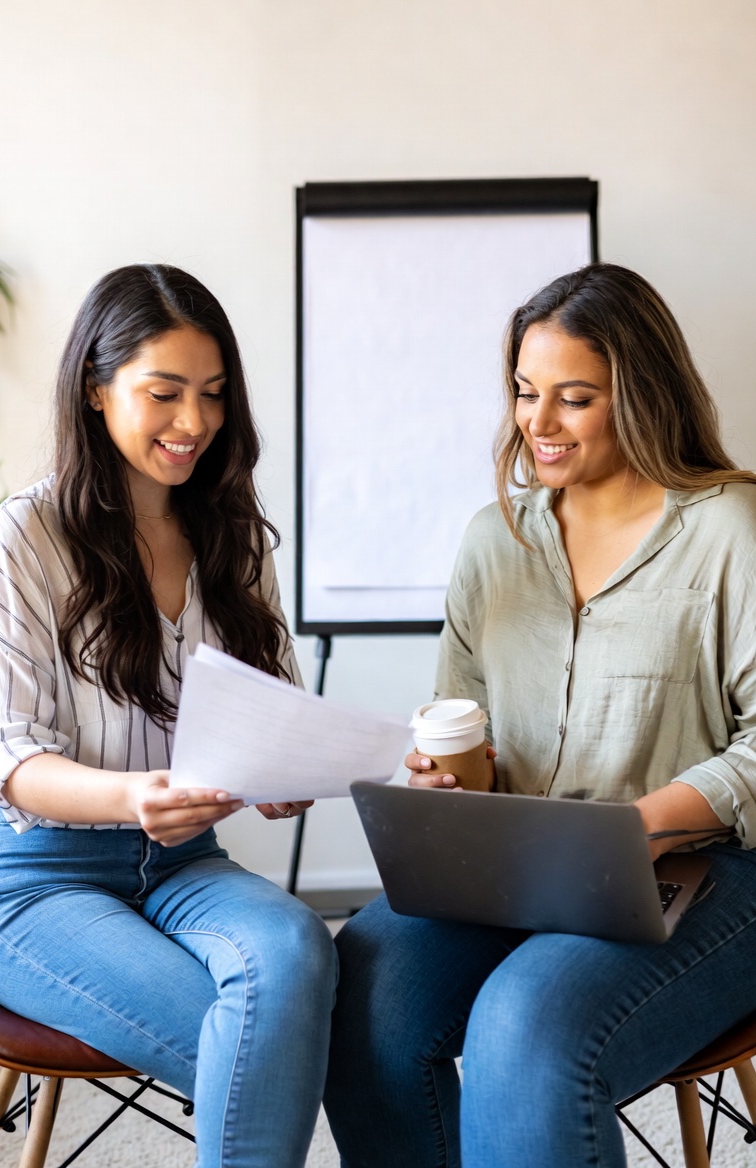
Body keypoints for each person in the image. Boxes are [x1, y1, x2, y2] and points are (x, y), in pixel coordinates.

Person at [323, 262, 756, 1168]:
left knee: (525, 1031)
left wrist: (643, 824)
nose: (538, 423)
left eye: (575, 398)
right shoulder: (496, 538)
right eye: (526, 392)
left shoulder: (728, 529)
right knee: (356, 991)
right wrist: (445, 781)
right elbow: (467, 722)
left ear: (639, 394)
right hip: (514, 866)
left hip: (704, 870)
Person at [0, 264, 337, 1168]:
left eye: (213, 395)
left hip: (186, 865)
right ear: (97, 391)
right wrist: (135, 794)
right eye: (164, 393)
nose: (195, 423)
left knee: (295, 946)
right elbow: (7, 758)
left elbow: (272, 707)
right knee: (273, 1035)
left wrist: (284, 777)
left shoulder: (231, 531)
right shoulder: (22, 538)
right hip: (37, 882)